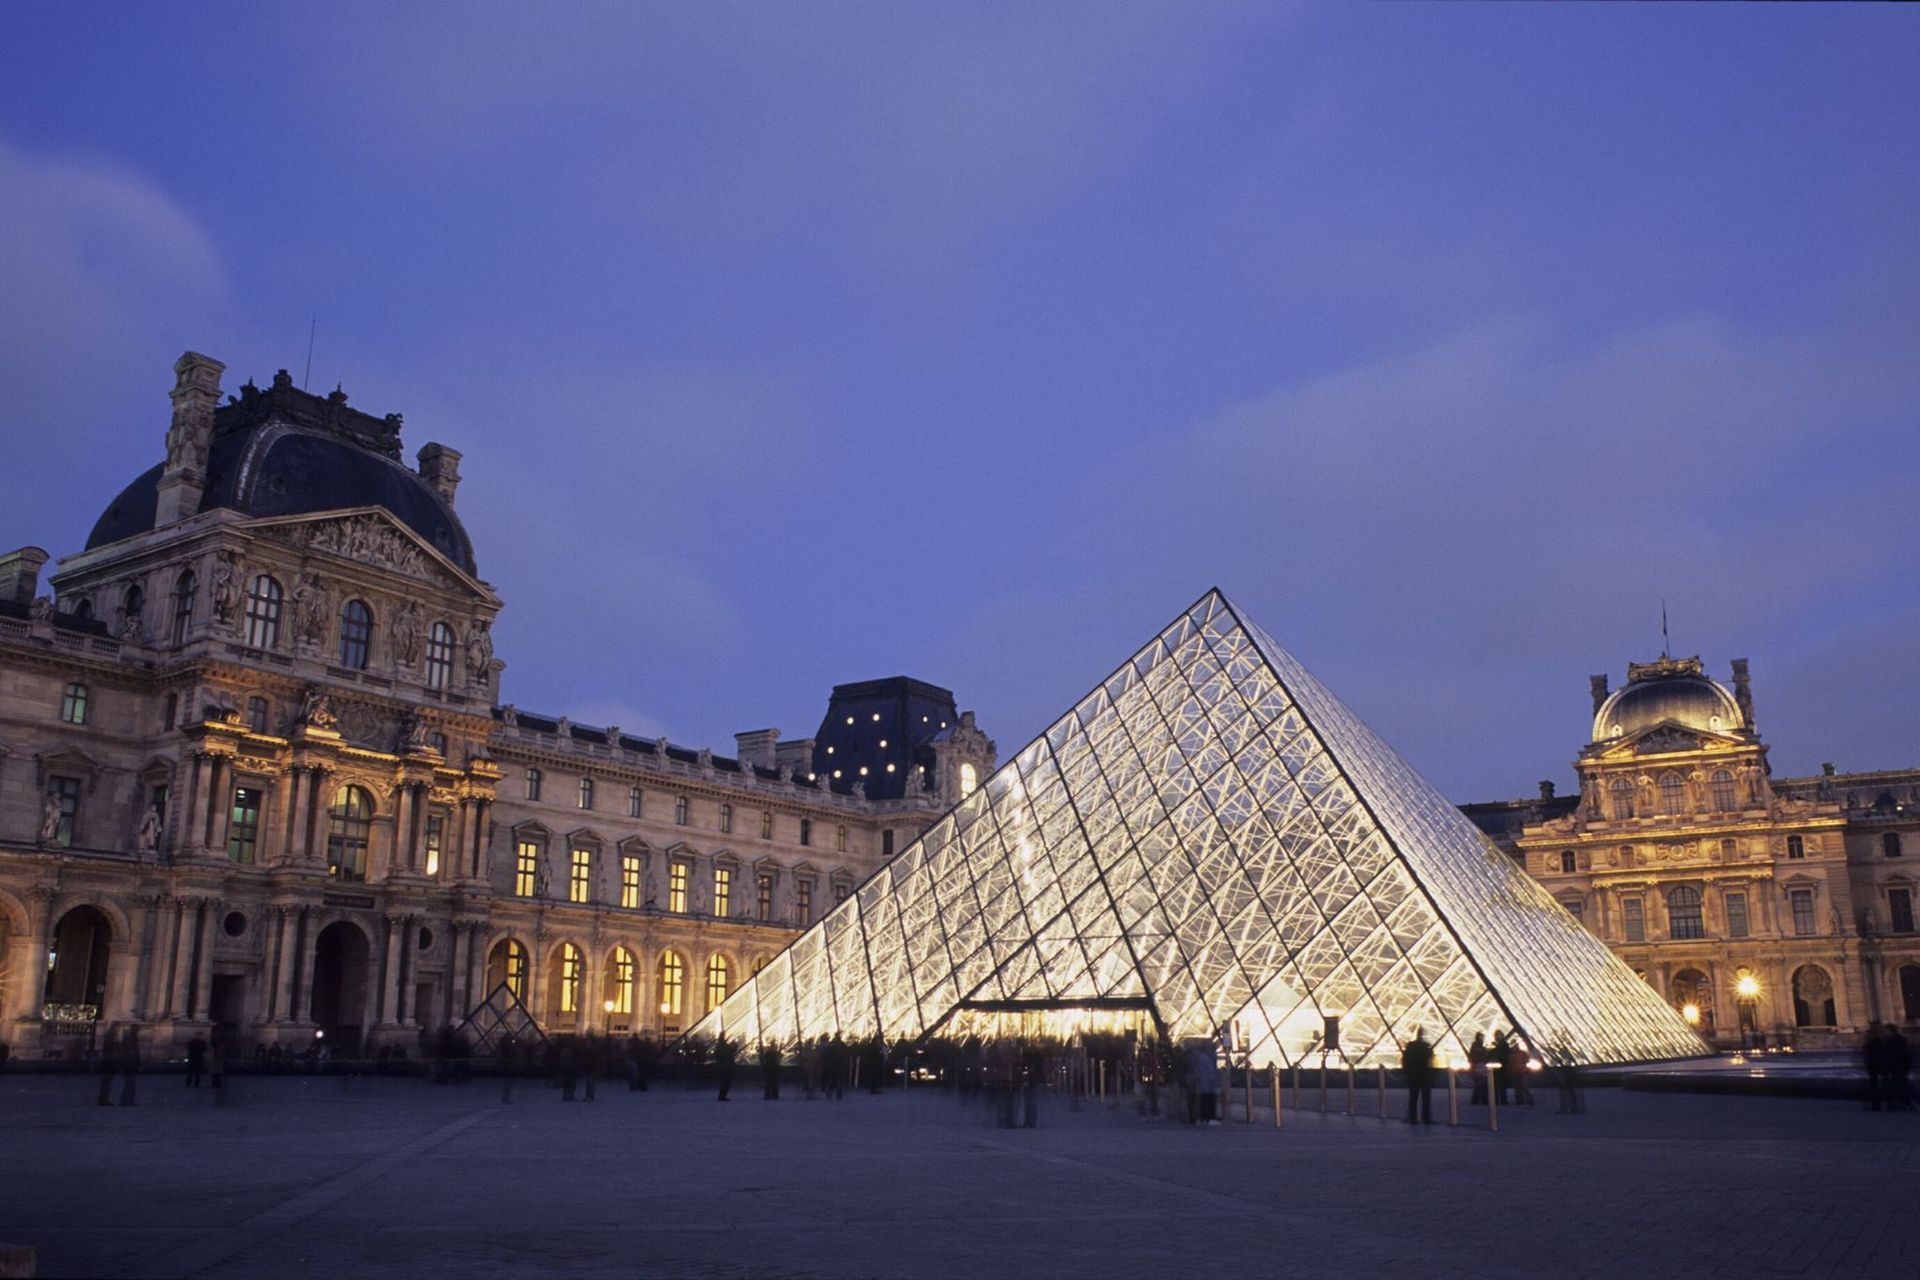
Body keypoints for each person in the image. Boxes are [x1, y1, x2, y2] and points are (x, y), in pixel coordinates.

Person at [1401, 1027, 1435, 1125]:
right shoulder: (1426, 1048)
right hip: (1424, 1076)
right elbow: (1430, 1061)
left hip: (1413, 1076)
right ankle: (1426, 1118)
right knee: (1426, 1098)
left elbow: (1404, 1062)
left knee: (1413, 1097)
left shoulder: (1409, 1049)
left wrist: (1407, 1072)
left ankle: (1412, 1118)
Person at [1467, 1032, 1489, 1106]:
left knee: (1478, 1085)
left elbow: (1472, 1057)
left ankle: (1476, 1100)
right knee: (1482, 1085)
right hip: (1479, 1066)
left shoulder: (1475, 1046)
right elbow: (1479, 1056)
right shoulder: (1478, 1047)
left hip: (1477, 1066)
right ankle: (1482, 1099)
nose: (1483, 1038)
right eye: (1482, 1037)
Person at [714, 1035, 738, 1102]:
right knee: (726, 1082)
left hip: (723, 1067)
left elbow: (717, 1057)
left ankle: (722, 1096)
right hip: (726, 1067)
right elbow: (731, 1053)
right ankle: (723, 1096)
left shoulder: (719, 1047)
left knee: (724, 1082)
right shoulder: (725, 1047)